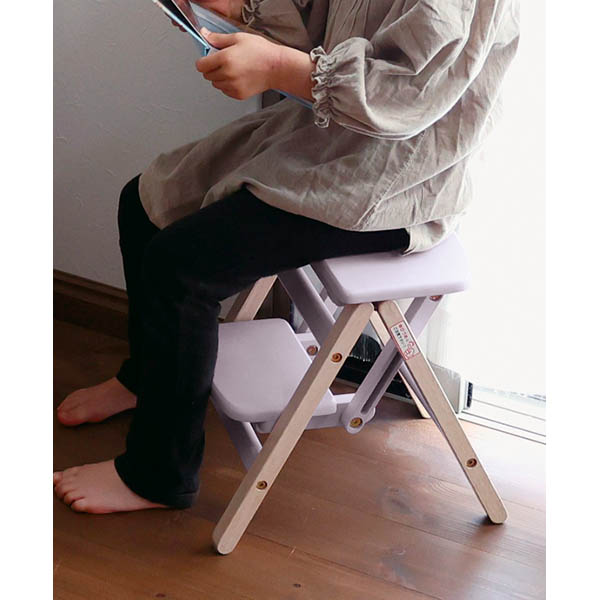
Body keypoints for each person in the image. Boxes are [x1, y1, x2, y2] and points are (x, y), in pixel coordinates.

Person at [53, 0, 520, 513]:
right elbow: (327, 20)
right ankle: (145, 378)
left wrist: (276, 66)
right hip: (331, 132)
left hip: (400, 180)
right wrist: (240, 10)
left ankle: (159, 474)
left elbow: (405, 93)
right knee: (142, 204)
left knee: (180, 266)